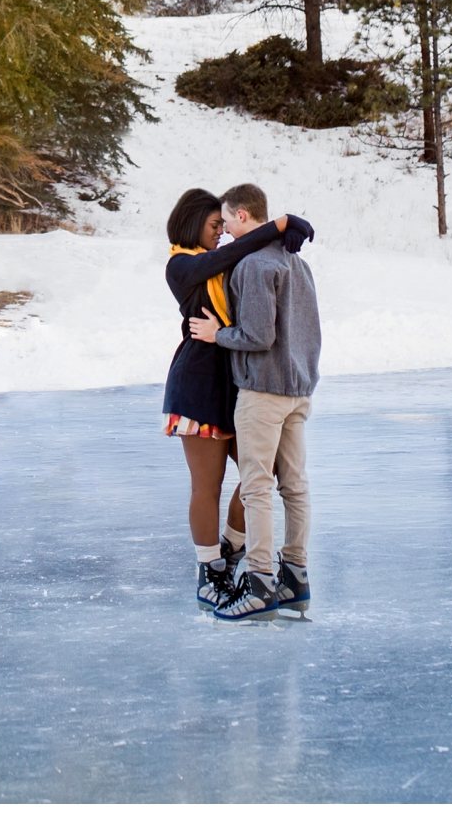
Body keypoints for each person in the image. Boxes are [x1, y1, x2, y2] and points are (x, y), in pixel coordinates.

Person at [162, 188, 313, 609]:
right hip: (198, 384)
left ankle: (230, 547)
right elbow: (223, 258)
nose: (222, 235)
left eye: (224, 226)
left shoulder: (225, 264)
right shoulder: (181, 264)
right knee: (207, 486)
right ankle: (209, 571)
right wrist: (277, 226)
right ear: (194, 223)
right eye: (215, 227)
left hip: (238, 380)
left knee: (257, 477)